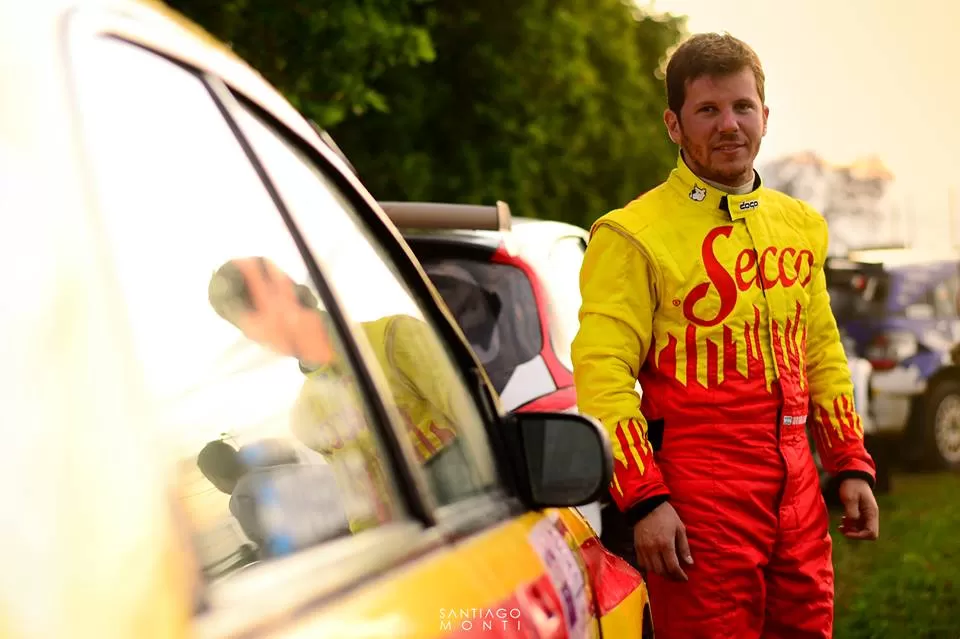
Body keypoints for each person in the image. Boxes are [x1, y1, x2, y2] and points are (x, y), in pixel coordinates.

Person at [571, 33, 879, 639]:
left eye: (742, 107)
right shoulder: (632, 235)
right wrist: (644, 500)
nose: (728, 124)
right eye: (707, 110)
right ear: (674, 124)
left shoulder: (801, 225)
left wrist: (849, 462)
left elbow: (821, 350)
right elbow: (602, 376)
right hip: (697, 503)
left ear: (765, 114)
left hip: (799, 497)